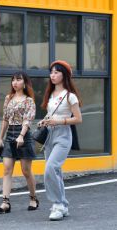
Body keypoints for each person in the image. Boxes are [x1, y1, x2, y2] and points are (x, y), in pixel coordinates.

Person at [38, 60, 82, 221]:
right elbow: (51, 114)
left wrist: (60, 121)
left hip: (63, 136)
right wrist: (45, 121)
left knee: (50, 169)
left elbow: (78, 119)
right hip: (50, 135)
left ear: (65, 75)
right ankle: (63, 205)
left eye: (56, 72)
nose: (52, 75)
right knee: (55, 172)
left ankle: (57, 205)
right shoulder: (50, 95)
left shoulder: (71, 96)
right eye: (51, 72)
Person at [0, 71, 38, 214]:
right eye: (13, 80)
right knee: (7, 169)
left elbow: (28, 120)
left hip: (23, 134)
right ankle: (5, 202)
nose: (15, 82)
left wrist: (21, 136)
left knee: (26, 170)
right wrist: (1, 138)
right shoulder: (9, 98)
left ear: (24, 83)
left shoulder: (29, 100)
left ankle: (33, 198)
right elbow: (6, 119)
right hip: (10, 134)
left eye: (18, 80)